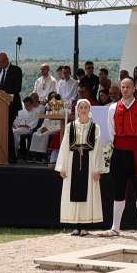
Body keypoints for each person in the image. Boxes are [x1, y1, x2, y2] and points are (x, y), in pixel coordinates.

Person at [105, 78, 137, 238]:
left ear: (134, 89)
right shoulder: (113, 108)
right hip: (119, 152)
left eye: (128, 87)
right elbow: (111, 131)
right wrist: (122, 144)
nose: (125, 90)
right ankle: (115, 227)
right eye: (123, 87)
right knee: (118, 190)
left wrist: (136, 143)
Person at [55, 99, 105, 235]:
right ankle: (76, 225)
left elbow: (98, 149)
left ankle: (84, 226)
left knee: (87, 192)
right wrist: (62, 167)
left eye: (85, 107)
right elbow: (65, 146)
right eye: (81, 107)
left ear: (89, 110)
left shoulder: (95, 127)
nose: (83, 110)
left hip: (89, 163)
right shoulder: (70, 126)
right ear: (77, 110)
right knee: (74, 192)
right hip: (72, 163)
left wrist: (97, 169)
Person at [0, 52, 23, 163]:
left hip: (11, 105)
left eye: (1, 63)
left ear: (6, 60)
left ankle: (11, 156)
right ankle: (0, 154)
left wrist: (4, 94)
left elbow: (17, 88)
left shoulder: (16, 70)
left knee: (7, 128)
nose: (0, 65)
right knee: (0, 129)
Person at [12, 96, 41, 160]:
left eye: (28, 105)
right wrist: (15, 125)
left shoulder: (36, 112)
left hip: (29, 129)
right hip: (20, 128)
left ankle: (16, 150)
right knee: (14, 131)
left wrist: (27, 125)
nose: (26, 107)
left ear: (32, 104)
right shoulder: (21, 112)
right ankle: (16, 150)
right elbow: (16, 121)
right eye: (25, 105)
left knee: (15, 132)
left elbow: (35, 121)